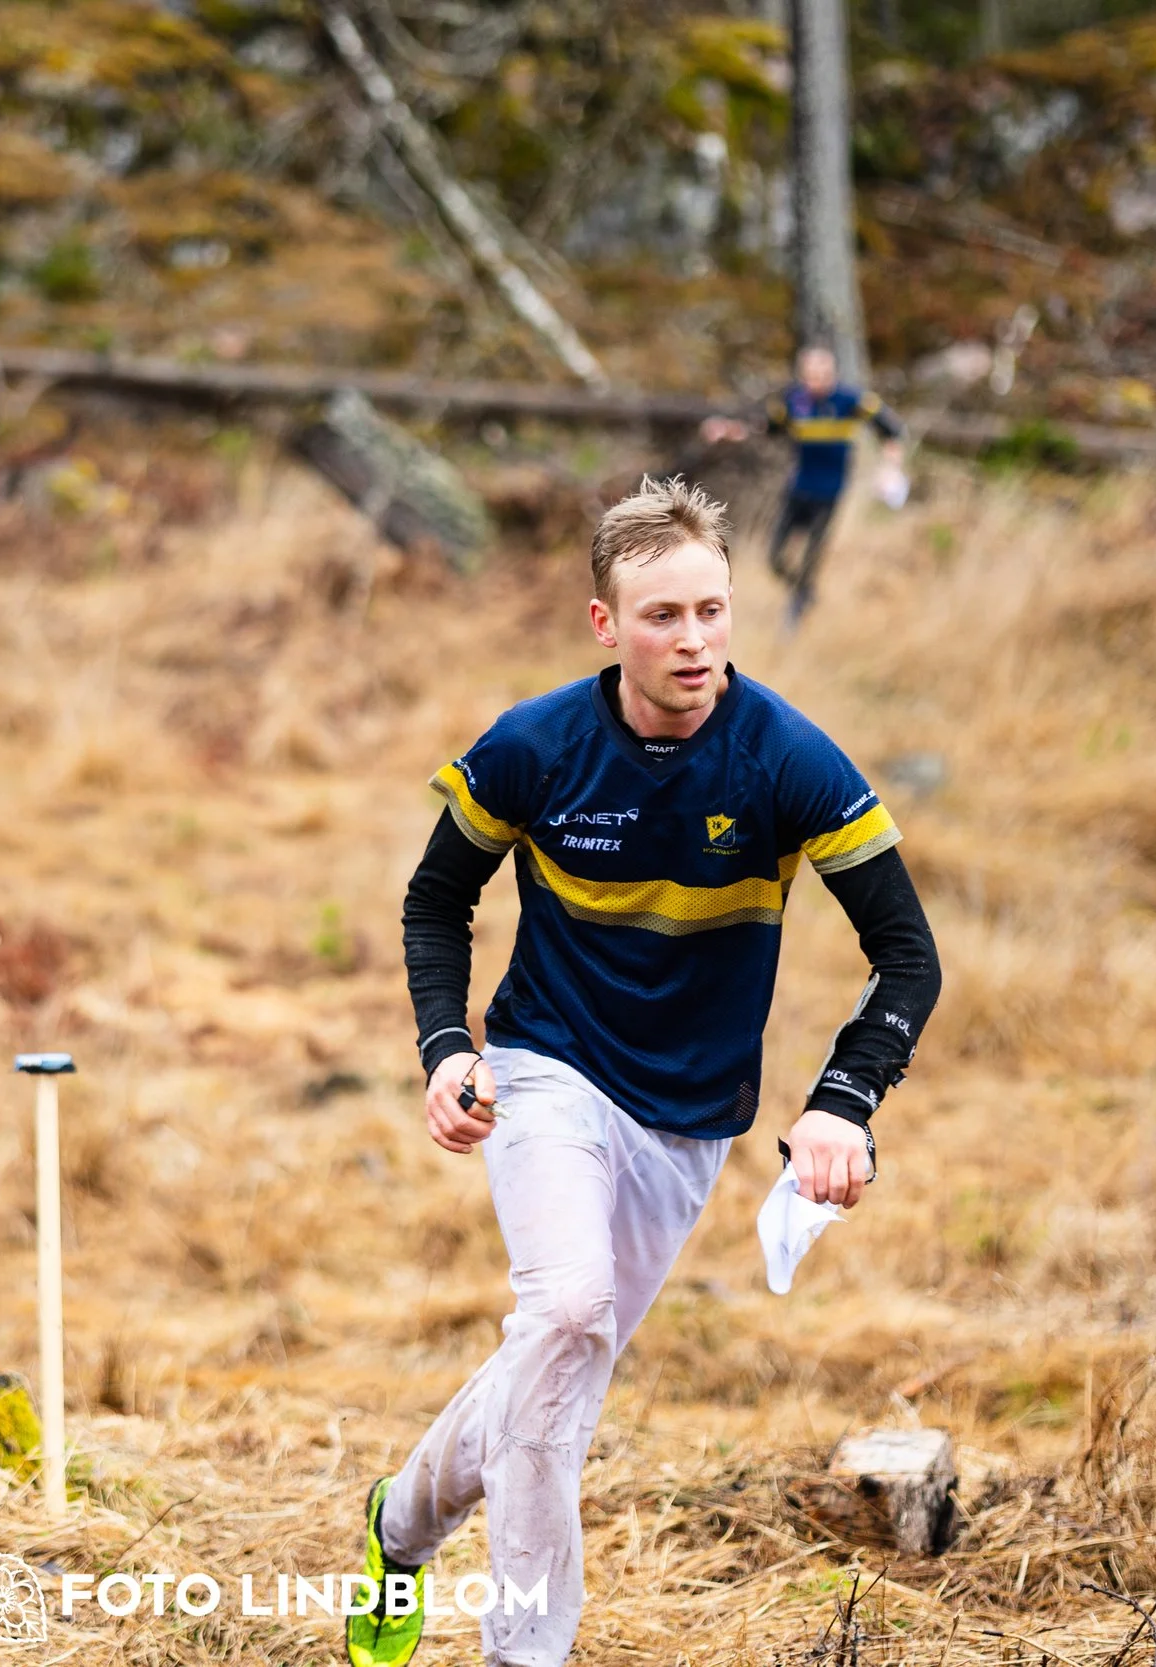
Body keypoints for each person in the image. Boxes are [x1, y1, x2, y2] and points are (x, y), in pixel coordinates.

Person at [346, 478, 941, 1667]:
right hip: (544, 1065)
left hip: (688, 1116)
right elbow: (434, 898)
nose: (694, 641)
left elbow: (906, 957)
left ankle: (399, 1523)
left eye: (712, 610)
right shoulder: (533, 747)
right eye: (663, 614)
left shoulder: (784, 757)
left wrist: (842, 1100)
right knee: (565, 1311)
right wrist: (443, 1043)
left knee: (553, 1363)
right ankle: (527, 1651)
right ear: (604, 624)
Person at [700, 344, 906, 624]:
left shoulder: (853, 401)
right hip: (798, 488)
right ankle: (804, 591)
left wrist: (890, 468)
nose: (816, 381)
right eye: (810, 375)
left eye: (822, 374)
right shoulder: (793, 402)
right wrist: (727, 430)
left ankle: (795, 614)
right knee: (775, 558)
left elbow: (892, 431)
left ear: (833, 373)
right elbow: (762, 428)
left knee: (811, 557)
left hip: (830, 492)